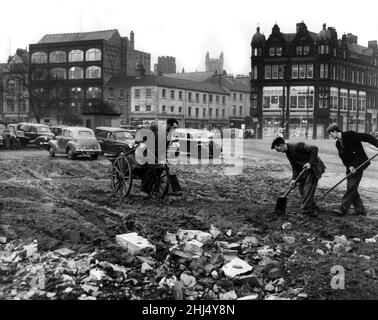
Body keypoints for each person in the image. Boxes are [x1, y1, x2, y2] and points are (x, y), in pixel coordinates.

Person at [326, 123, 378, 216]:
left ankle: (343, 209)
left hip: (359, 164)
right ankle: (360, 210)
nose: (330, 136)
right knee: (352, 187)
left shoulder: (349, 135)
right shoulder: (338, 143)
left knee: (351, 187)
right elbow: (343, 157)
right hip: (350, 167)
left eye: (330, 134)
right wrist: (349, 166)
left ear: (334, 131)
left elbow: (367, 137)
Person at [271, 136, 326, 217]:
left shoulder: (297, 146)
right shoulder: (288, 152)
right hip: (305, 169)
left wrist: (310, 163)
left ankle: (306, 212)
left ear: (282, 145)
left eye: (277, 149)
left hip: (314, 167)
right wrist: (293, 179)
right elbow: (295, 167)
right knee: (301, 189)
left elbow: (314, 148)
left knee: (308, 189)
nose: (278, 151)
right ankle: (313, 208)